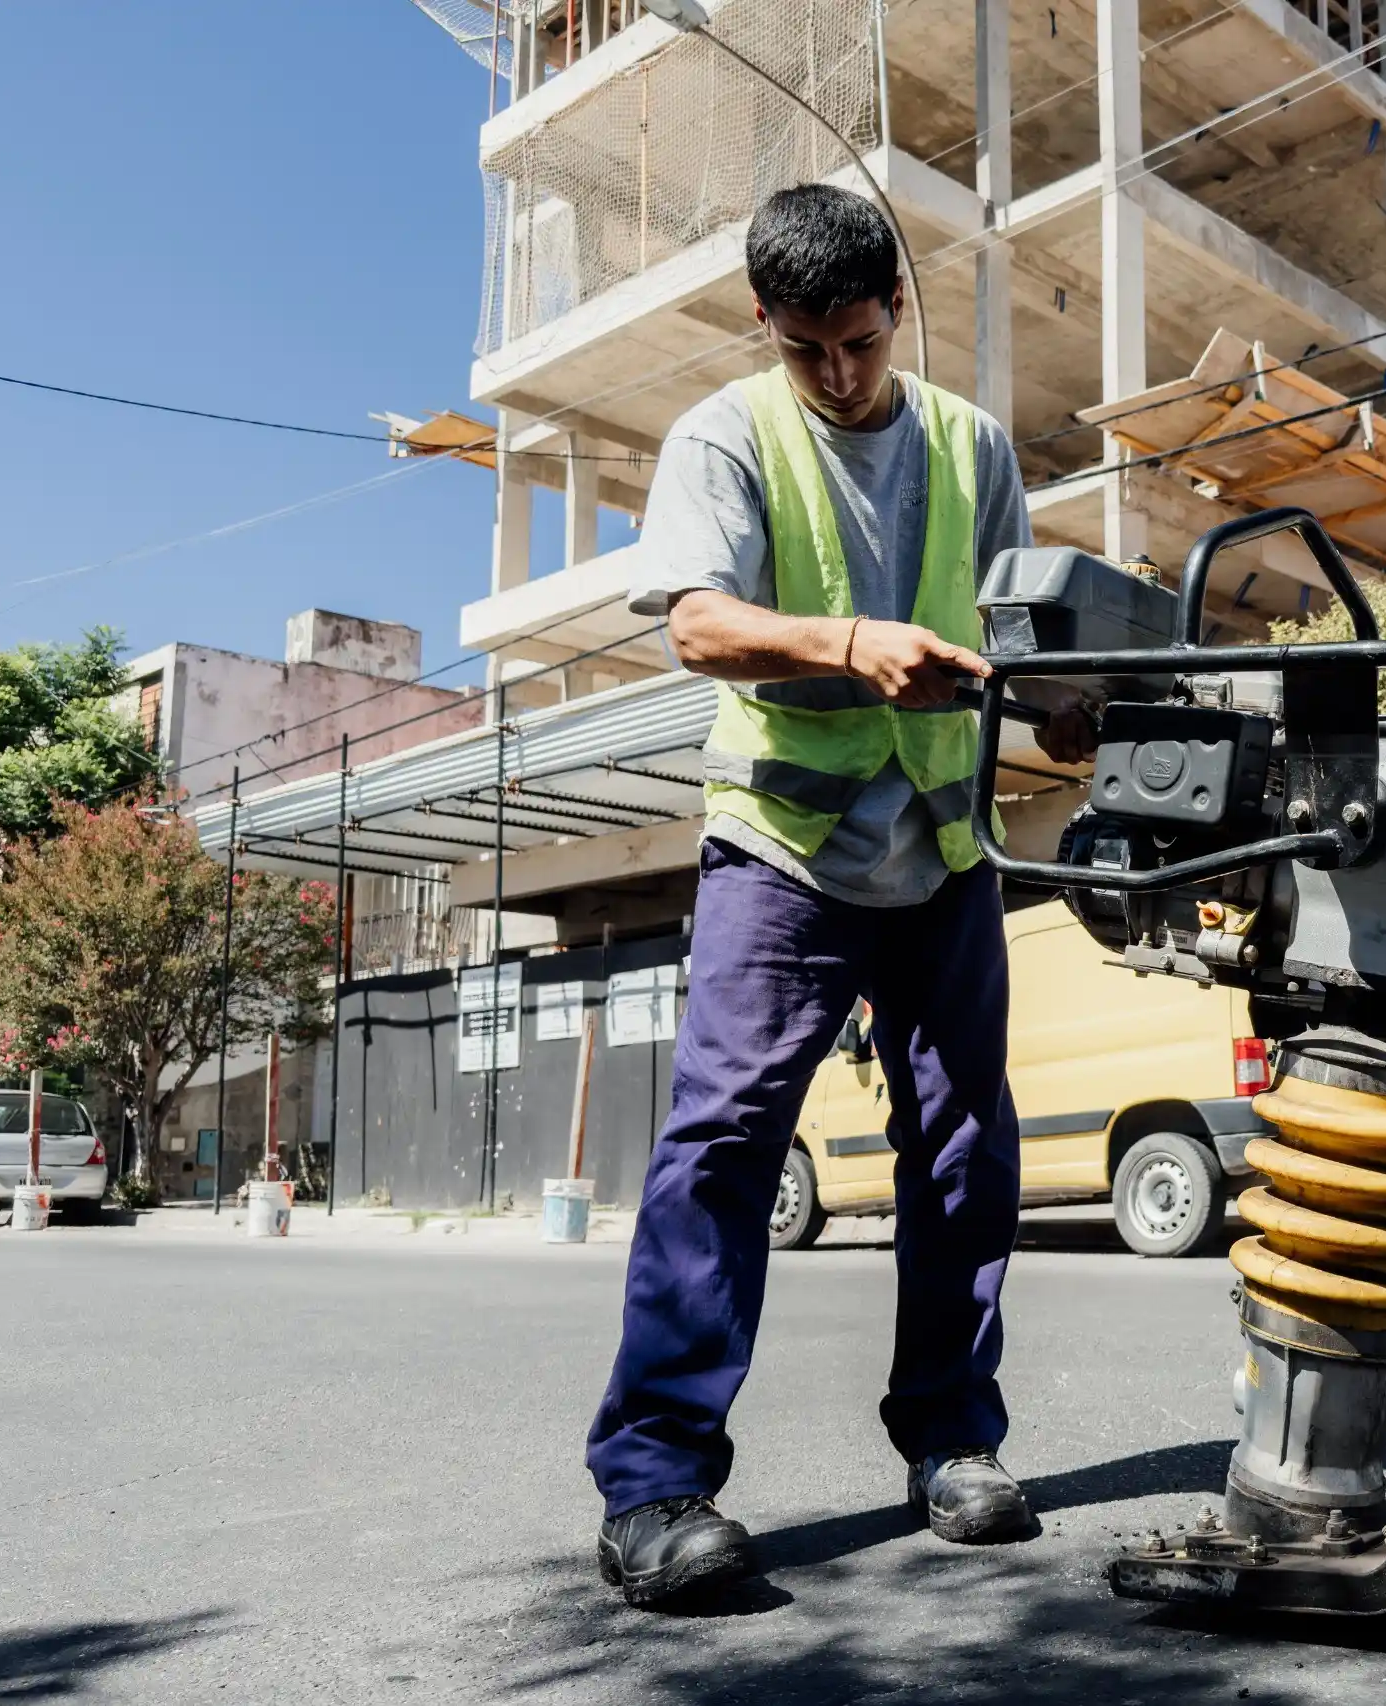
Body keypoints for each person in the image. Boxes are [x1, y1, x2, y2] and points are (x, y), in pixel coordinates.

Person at [587, 183, 1091, 1609]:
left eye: (860, 342)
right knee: (726, 1139)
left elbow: (1014, 634)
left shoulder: (971, 446)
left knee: (962, 1143)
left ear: (897, 312)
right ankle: (654, 1483)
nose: (839, 374)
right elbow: (696, 620)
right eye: (807, 348)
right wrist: (848, 642)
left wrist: (1071, 708)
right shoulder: (724, 437)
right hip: (782, 852)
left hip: (939, 847)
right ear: (767, 323)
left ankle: (953, 1438)